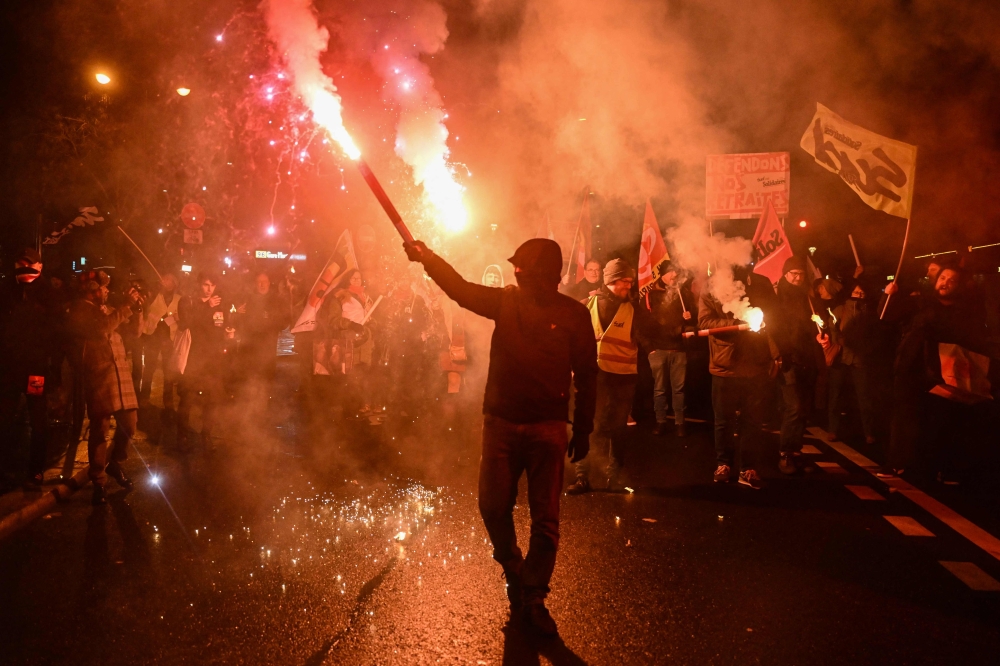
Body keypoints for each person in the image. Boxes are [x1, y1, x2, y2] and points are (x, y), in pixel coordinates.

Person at [405, 237, 597, 637]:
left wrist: (583, 426)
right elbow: (458, 289)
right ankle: (515, 570)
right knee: (493, 507)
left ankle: (534, 596)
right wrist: (427, 258)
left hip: (547, 427)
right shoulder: (506, 302)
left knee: (545, 521)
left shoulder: (574, 315)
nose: (516, 273)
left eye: (523, 268)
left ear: (544, 274)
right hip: (501, 424)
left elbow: (588, 374)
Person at [880, 266, 994, 482]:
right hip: (912, 369)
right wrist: (890, 296)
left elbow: (974, 339)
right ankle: (897, 463)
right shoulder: (919, 303)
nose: (945, 283)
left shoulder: (966, 311)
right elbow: (886, 316)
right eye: (942, 277)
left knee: (942, 420)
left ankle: (941, 467)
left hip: (946, 372)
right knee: (905, 418)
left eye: (952, 280)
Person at [66, 270, 143, 505]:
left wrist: (137, 310)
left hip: (121, 376)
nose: (107, 291)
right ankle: (98, 480)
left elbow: (134, 333)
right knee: (99, 430)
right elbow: (102, 328)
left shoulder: (109, 310)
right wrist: (127, 305)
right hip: (99, 376)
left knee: (129, 424)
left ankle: (115, 464)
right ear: (91, 290)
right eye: (102, 287)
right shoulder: (80, 310)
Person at [700, 267, 778, 489]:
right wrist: (738, 326)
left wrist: (776, 354)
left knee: (752, 421)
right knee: (723, 420)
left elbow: (774, 319)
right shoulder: (711, 286)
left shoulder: (761, 284)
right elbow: (705, 322)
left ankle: (748, 467)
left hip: (756, 365)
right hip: (724, 365)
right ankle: (723, 463)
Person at [567, 258, 641, 493]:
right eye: (624, 281)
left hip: (623, 377)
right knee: (588, 425)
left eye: (631, 281)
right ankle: (582, 477)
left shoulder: (634, 310)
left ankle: (614, 478)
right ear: (610, 281)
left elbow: (654, 333)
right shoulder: (586, 305)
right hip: (593, 377)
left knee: (618, 428)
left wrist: (680, 331)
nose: (628, 286)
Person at [0, 248, 55, 491]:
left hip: (35, 370)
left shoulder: (47, 294)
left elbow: (56, 334)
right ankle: (4, 469)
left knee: (38, 422)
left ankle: (35, 471)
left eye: (29, 264)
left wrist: (50, 367)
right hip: (11, 368)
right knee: (4, 419)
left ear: (39, 266)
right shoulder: (8, 290)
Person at [772, 255, 821, 475]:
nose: (798, 278)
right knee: (794, 407)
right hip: (788, 359)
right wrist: (779, 354)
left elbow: (812, 325)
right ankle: (785, 453)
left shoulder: (806, 297)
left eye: (801, 274)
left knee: (804, 408)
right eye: (794, 273)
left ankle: (796, 451)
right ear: (785, 274)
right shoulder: (776, 297)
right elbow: (772, 329)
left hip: (806, 358)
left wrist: (820, 335)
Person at [639, 263, 694, 437]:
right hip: (658, 350)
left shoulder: (684, 294)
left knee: (679, 389)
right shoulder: (649, 296)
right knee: (660, 389)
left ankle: (680, 423)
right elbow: (641, 327)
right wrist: (649, 349)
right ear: (662, 274)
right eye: (670, 272)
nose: (674, 275)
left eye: (676, 271)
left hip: (679, 349)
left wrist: (689, 318)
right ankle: (660, 421)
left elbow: (695, 323)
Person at [177, 273, 231, 448]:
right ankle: (182, 434)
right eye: (206, 284)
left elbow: (220, 326)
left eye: (212, 286)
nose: (209, 289)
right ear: (199, 284)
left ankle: (206, 434)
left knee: (212, 400)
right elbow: (187, 322)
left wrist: (229, 333)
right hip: (193, 358)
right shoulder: (188, 301)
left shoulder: (219, 304)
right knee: (187, 398)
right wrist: (206, 306)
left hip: (213, 360)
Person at [821, 280, 878, 444]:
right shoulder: (841, 309)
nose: (859, 296)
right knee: (835, 395)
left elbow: (874, 333)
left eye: (862, 293)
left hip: (860, 358)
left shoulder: (869, 312)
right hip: (841, 357)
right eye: (856, 293)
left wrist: (868, 348)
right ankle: (832, 430)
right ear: (850, 293)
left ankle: (869, 432)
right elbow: (832, 328)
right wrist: (838, 339)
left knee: (864, 396)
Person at [138, 274, 181, 413]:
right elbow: (147, 306)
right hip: (153, 337)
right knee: (149, 369)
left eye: (170, 280)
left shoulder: (179, 299)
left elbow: (182, 316)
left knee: (168, 372)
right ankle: (144, 398)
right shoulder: (155, 295)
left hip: (170, 339)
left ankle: (168, 402)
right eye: (165, 280)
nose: (167, 283)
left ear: (175, 284)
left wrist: (173, 318)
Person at [238, 272, 289, 384]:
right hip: (250, 348)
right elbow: (239, 323)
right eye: (259, 282)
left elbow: (284, 323)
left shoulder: (276, 301)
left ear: (269, 283)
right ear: (255, 284)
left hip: (268, 347)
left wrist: (275, 320)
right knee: (250, 379)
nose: (262, 285)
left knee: (267, 378)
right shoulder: (248, 300)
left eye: (264, 282)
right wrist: (238, 313)